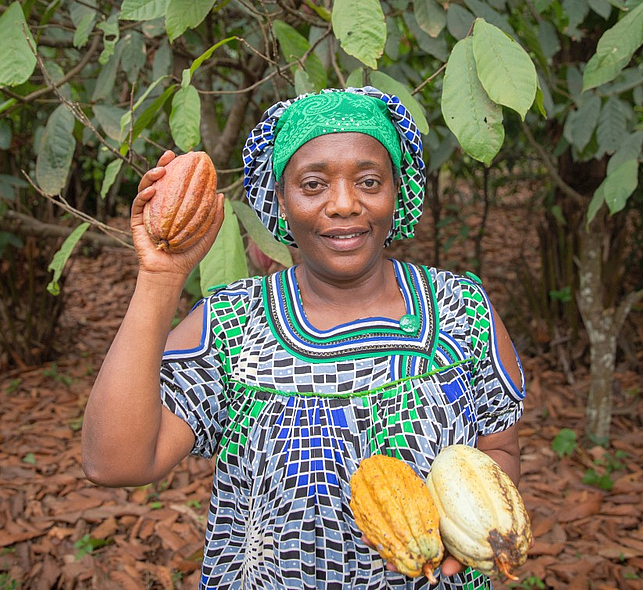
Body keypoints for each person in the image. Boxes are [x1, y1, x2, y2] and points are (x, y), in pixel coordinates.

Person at [82, 86, 526, 590]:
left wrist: (471, 531)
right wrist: (160, 276)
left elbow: (499, 451)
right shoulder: (233, 324)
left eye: (369, 181)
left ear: (397, 191)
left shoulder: (461, 309)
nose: (344, 204)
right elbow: (113, 463)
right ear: (280, 200)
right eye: (313, 184)